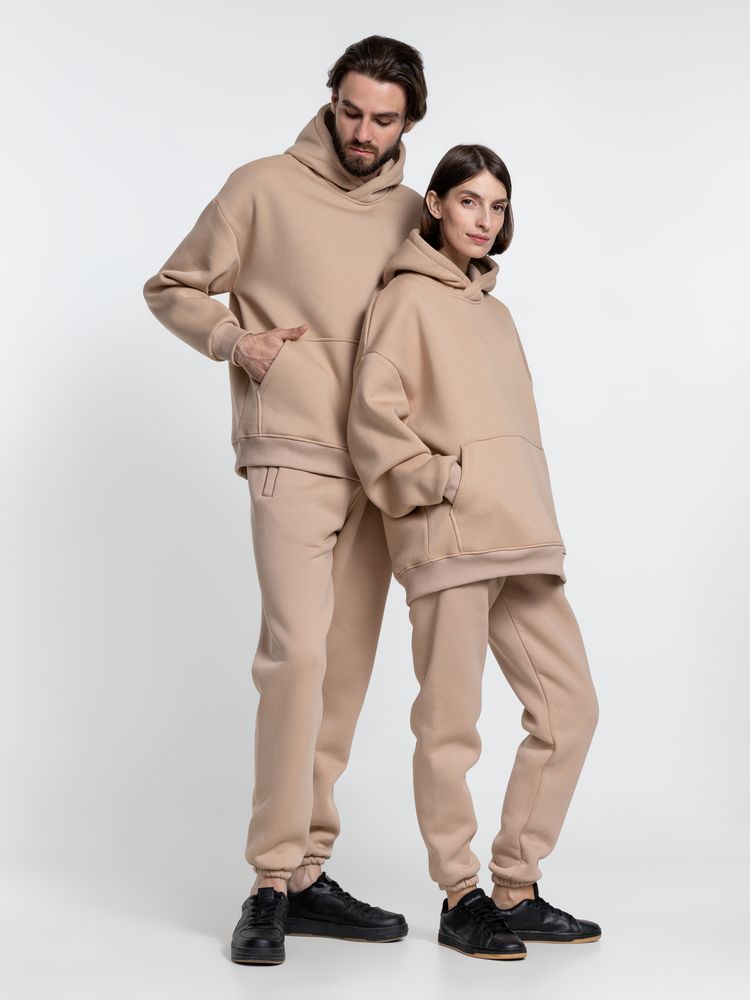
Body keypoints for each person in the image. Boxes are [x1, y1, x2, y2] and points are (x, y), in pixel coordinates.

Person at [142, 36, 427, 965]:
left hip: (381, 467)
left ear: (409, 123)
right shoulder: (261, 186)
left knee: (342, 672)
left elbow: (443, 317)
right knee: (296, 657)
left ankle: (309, 872)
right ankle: (269, 880)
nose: (363, 131)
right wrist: (237, 341)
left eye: (383, 119)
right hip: (292, 452)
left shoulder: (414, 213)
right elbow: (171, 285)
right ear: (331, 100)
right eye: (351, 111)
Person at [346, 145, 601, 961]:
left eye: (497, 205)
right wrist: (442, 480)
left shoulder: (498, 314)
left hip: (520, 537)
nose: (484, 219)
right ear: (434, 204)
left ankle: (514, 888)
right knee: (450, 725)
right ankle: (461, 895)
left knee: (570, 710)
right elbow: (372, 421)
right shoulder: (402, 300)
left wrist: (517, 498)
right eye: (468, 201)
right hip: (450, 537)